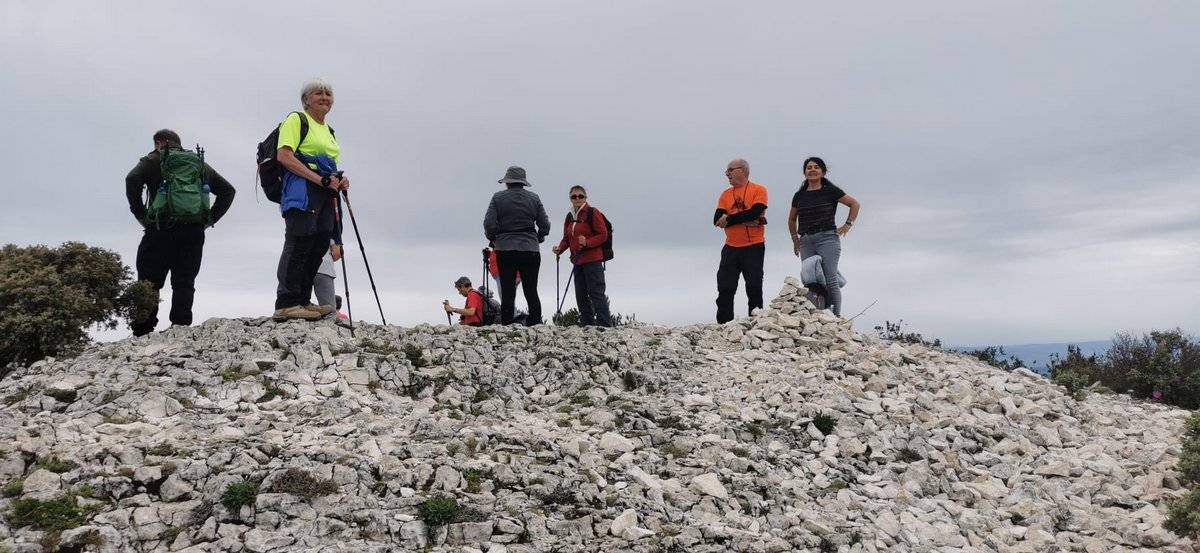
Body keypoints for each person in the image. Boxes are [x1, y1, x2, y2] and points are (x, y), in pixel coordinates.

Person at [125, 129, 236, 336]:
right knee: (184, 281)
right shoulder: (197, 163)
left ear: (160, 142)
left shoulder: (153, 160)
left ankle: (143, 330)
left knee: (149, 281)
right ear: (178, 143)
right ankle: (180, 327)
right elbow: (228, 190)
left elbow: (132, 179)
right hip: (193, 231)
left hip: (159, 229)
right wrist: (209, 219)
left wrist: (141, 215)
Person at [273, 78, 349, 321]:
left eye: (328, 93)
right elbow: (284, 156)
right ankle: (286, 302)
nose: (325, 97)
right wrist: (319, 179)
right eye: (319, 93)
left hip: (325, 191)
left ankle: (303, 300)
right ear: (306, 100)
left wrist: (338, 180)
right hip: (302, 189)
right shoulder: (297, 120)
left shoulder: (329, 130)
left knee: (318, 242)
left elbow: (328, 163)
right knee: (299, 242)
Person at [787, 156, 860, 316]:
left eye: (816, 167)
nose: (812, 170)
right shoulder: (799, 195)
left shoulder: (830, 191)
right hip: (806, 240)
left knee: (830, 277)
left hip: (827, 238)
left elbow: (854, 204)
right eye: (809, 167)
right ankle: (818, 313)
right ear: (805, 172)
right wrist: (795, 239)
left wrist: (847, 225)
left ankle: (836, 317)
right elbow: (792, 219)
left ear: (823, 172)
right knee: (810, 278)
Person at [483, 166, 550, 325]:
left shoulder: (498, 198)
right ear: (523, 183)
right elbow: (545, 225)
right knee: (531, 290)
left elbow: (488, 224)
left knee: (508, 292)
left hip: (505, 249)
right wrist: (539, 237)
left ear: (507, 182)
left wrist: (493, 239)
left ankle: (507, 325)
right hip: (530, 249)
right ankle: (536, 325)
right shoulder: (534, 198)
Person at [713, 158, 768, 323]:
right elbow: (716, 219)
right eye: (726, 171)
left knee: (754, 286)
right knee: (725, 288)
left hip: (754, 246)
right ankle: (723, 325)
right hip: (731, 247)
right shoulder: (725, 194)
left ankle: (756, 324)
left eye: (730, 170)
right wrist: (749, 219)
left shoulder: (759, 190)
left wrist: (729, 219)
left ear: (742, 170)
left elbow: (756, 212)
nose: (727, 174)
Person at [551, 185, 612, 327]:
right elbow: (567, 238)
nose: (577, 198)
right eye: (574, 196)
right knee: (581, 294)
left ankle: (604, 325)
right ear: (570, 199)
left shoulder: (592, 212)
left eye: (580, 196)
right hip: (577, 261)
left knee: (596, 293)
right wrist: (560, 249)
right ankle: (587, 324)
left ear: (585, 197)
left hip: (593, 260)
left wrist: (587, 242)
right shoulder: (570, 216)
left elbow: (603, 235)